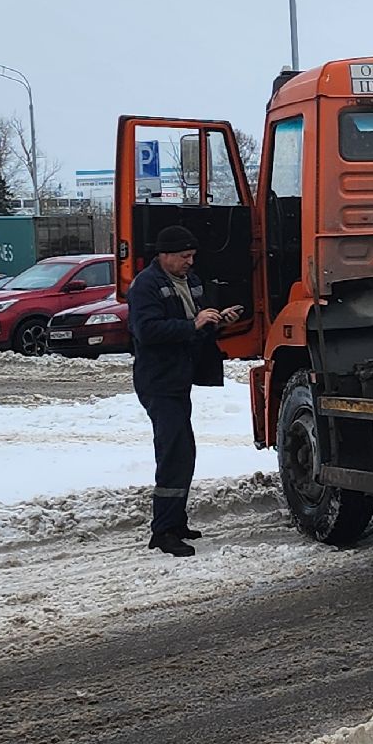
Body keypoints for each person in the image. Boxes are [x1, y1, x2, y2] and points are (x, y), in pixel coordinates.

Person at [127, 225, 239, 556]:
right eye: (184, 256)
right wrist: (194, 324)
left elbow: (196, 326)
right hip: (158, 381)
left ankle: (176, 523)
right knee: (173, 453)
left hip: (179, 378)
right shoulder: (146, 285)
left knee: (183, 452)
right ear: (165, 255)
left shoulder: (191, 281)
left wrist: (217, 321)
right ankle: (163, 531)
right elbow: (146, 331)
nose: (190, 262)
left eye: (192, 256)